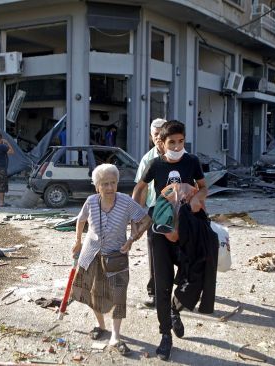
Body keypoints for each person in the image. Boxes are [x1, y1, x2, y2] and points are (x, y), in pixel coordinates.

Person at [132, 120, 209, 361]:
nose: (177, 146)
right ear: (162, 145)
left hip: (186, 228)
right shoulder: (155, 164)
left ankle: (176, 309)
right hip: (161, 229)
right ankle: (165, 335)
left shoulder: (192, 162)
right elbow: (139, 188)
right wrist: (139, 214)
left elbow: (204, 187)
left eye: (180, 141)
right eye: (171, 142)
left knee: (194, 277)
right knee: (162, 284)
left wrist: (198, 198)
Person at [71, 164, 151, 355]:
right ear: (97, 186)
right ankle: (100, 326)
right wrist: (78, 241)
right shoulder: (91, 201)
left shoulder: (125, 201)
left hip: (116, 256)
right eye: (105, 184)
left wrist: (132, 238)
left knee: (119, 294)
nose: (109, 188)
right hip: (91, 255)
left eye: (113, 183)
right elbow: (81, 220)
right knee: (92, 291)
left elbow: (146, 219)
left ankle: (116, 335)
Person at [132, 117, 166, 308]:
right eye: (155, 135)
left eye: (162, 134)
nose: (159, 139)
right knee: (155, 253)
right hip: (156, 210)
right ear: (151, 137)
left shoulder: (180, 155)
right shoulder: (148, 159)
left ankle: (184, 290)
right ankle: (154, 293)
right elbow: (141, 189)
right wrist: (137, 217)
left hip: (177, 210)